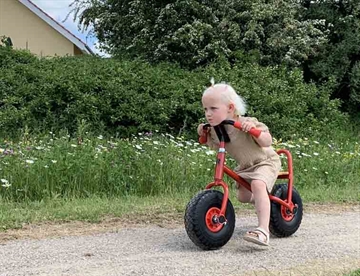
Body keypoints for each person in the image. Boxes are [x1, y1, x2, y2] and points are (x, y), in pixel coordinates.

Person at [197, 81, 281, 246]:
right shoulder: (217, 129)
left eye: (213, 109)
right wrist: (204, 134)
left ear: (230, 108)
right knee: (243, 197)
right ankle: (265, 201)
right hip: (245, 166)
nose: (208, 114)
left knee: (257, 184)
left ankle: (263, 231)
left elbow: (267, 141)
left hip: (265, 162)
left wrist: (252, 130)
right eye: (205, 109)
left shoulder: (247, 122)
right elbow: (212, 144)